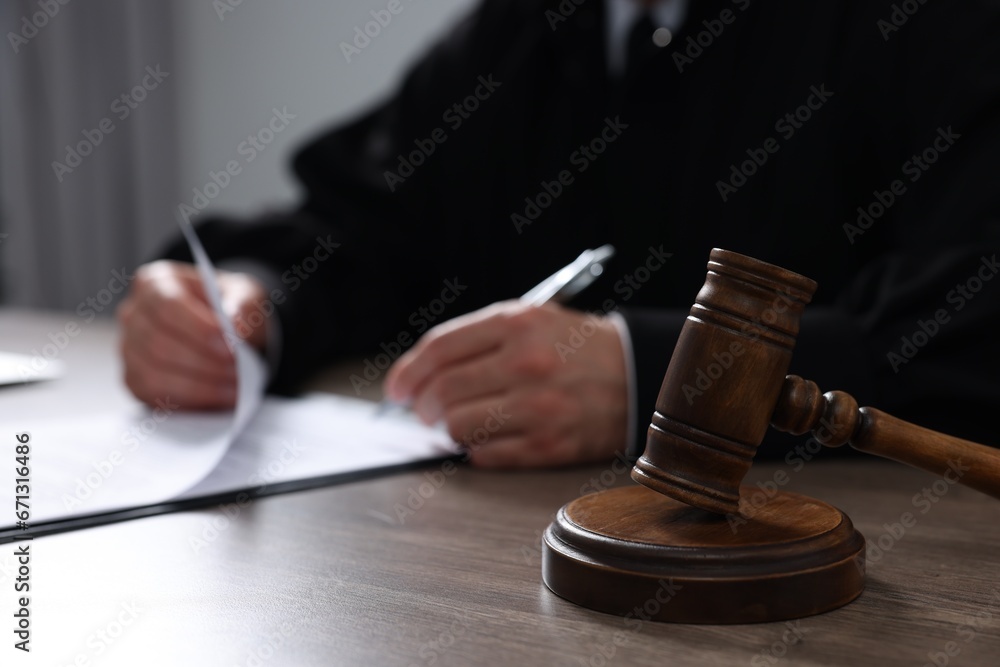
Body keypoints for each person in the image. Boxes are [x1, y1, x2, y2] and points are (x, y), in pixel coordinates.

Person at [117, 0, 1000, 468]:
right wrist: (246, 302)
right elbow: (362, 228)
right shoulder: (527, 30)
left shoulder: (929, 27)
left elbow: (970, 329)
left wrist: (649, 379)